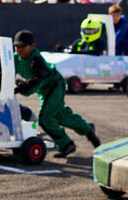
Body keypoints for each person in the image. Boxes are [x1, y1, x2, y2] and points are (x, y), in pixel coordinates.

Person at [13, 29, 100, 158]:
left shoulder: (36, 59)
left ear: (32, 46)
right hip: (45, 90)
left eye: (22, 46)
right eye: (16, 46)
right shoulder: (15, 58)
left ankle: (66, 144)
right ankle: (87, 129)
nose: (19, 49)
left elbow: (36, 81)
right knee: (62, 116)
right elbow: (4, 72)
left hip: (54, 86)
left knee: (44, 118)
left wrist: (21, 88)